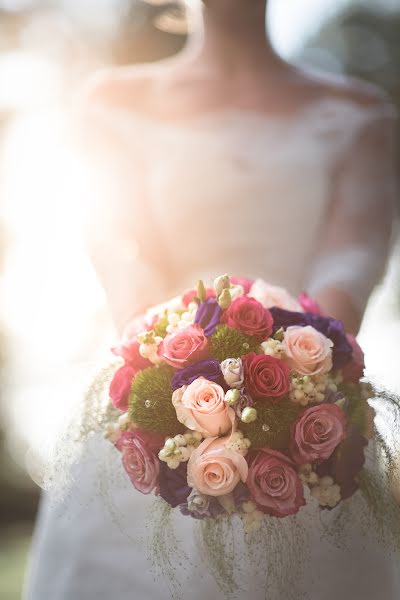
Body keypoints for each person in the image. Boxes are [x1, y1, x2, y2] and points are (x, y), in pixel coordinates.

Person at [24, 1, 399, 599]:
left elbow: (352, 255)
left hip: (309, 402)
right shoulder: (114, 100)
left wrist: (299, 366)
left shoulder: (358, 112)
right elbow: (118, 239)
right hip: (147, 389)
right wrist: (163, 369)